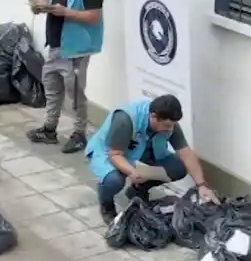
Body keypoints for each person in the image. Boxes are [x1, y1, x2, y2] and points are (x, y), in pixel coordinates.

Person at [85, 94, 216, 224]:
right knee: (114, 180)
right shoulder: (125, 119)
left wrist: (202, 185)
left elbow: (186, 154)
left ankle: (137, 191)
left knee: (178, 168)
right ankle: (106, 205)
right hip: (109, 153)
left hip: (140, 152)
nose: (170, 129)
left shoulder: (169, 122)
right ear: (153, 116)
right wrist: (131, 172)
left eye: (173, 125)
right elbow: (114, 154)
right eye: (167, 125)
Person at [26, 0, 104, 154]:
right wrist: (40, 6)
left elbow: (94, 16)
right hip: (55, 44)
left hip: (76, 49)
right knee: (51, 87)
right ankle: (49, 128)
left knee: (75, 93)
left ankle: (79, 134)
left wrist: (66, 12)